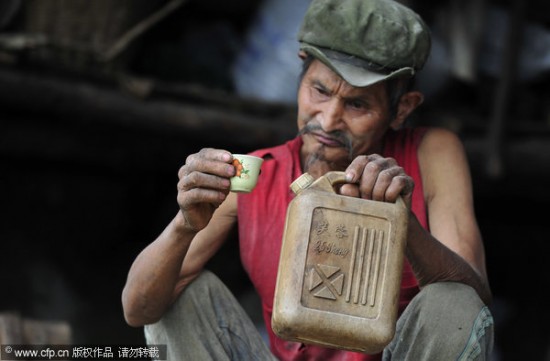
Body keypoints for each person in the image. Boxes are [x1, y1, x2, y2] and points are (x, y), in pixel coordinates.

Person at [121, 0, 494, 359]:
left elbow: (471, 301)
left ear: (402, 109)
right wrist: (184, 225)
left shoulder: (432, 153)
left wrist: (402, 223)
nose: (329, 120)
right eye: (320, 90)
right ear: (301, 71)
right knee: (177, 293)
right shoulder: (254, 173)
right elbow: (138, 309)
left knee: (451, 299)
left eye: (357, 105)